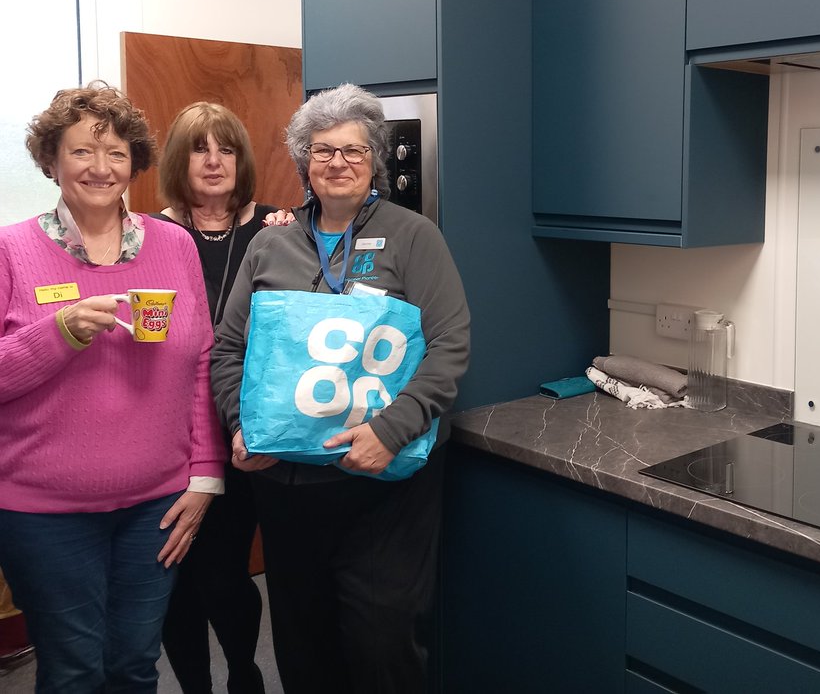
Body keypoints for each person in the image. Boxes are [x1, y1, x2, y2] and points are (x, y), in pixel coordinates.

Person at [210, 83, 470, 693]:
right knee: (302, 642)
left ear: (374, 158)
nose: (338, 163)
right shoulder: (271, 244)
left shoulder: (414, 237)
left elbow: (450, 346)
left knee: (382, 646)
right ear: (304, 162)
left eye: (353, 150)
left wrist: (390, 430)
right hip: (288, 485)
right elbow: (228, 349)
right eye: (323, 151)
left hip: (382, 484)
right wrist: (240, 424)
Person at [0, 82, 226, 692]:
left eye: (117, 153)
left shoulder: (174, 244)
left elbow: (201, 362)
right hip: (44, 513)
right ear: (50, 160)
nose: (101, 169)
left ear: (135, 163)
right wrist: (61, 333)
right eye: (81, 152)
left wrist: (205, 475)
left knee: (133, 666)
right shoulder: (10, 251)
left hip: (156, 505)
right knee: (73, 672)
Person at [155, 102, 281, 694]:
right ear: (179, 161)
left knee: (228, 577)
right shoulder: (150, 235)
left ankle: (245, 675)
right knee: (174, 577)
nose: (212, 161)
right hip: (171, 435)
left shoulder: (279, 230)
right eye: (199, 148)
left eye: (225, 148)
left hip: (247, 428)